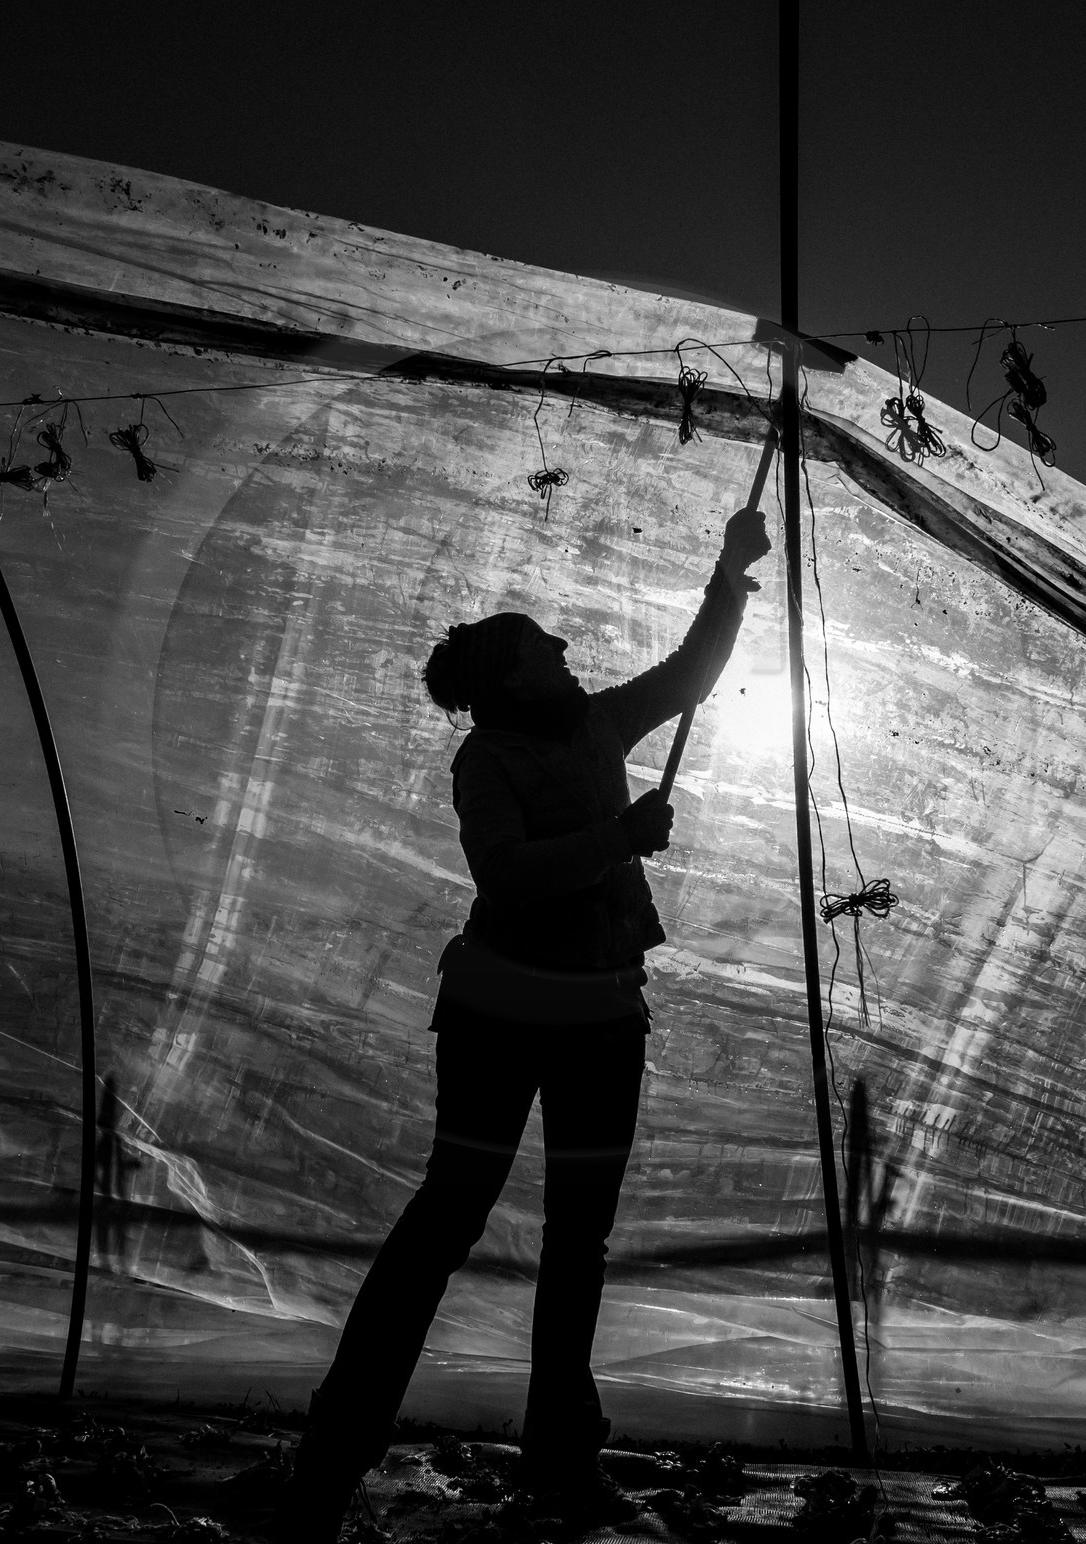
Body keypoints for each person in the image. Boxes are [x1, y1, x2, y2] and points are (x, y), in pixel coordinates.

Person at [283, 507, 771, 1542]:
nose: (561, 646)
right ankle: (333, 1454)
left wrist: (728, 574)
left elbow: (690, 674)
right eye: (542, 642)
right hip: (499, 1015)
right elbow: (504, 875)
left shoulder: (596, 723)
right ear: (510, 678)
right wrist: (618, 835)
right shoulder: (487, 762)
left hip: (601, 1016)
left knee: (575, 1241)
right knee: (447, 1219)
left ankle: (558, 1460)